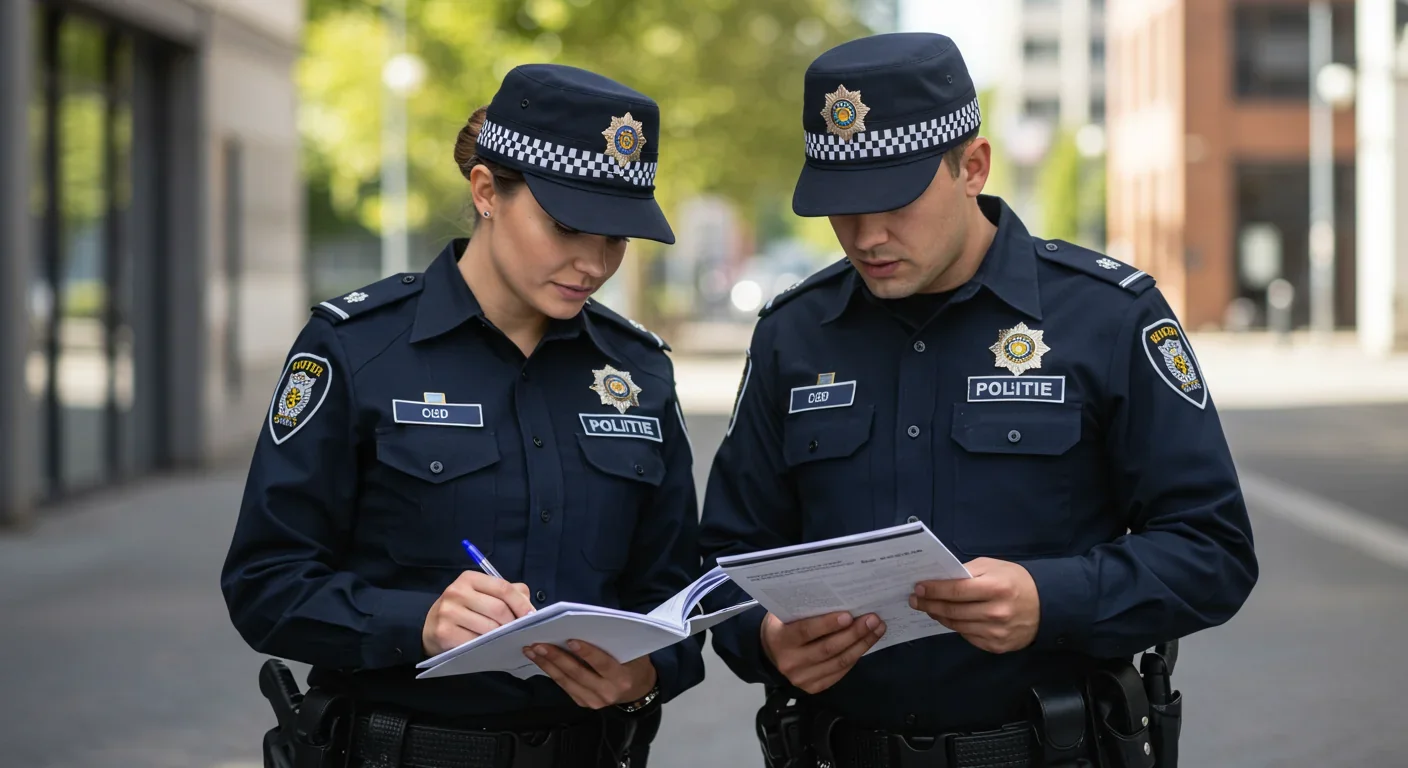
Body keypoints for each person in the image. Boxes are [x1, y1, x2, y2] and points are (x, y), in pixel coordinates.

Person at [699, 32, 1258, 767]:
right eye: (840, 206)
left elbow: (1213, 551)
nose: (866, 236)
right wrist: (766, 639)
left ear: (973, 167)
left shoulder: (1109, 317)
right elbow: (725, 560)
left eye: (895, 200)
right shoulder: (793, 334)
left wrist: (1052, 599)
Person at [222, 63, 703, 768]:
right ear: (486, 192)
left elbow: (677, 594)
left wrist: (646, 678)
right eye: (568, 225)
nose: (594, 263)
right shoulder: (356, 348)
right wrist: (417, 622)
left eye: (617, 236)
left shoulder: (639, 370)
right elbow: (265, 582)